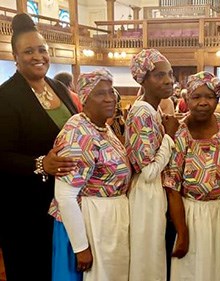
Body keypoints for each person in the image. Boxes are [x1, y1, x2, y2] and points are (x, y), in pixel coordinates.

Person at [0, 13, 77, 281]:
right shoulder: (6, 96)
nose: (38, 56)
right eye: (28, 51)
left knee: (60, 268)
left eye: (42, 50)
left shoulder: (59, 88)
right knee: (32, 268)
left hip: (64, 201)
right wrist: (41, 164)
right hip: (25, 207)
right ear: (16, 57)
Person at [49, 68, 132, 281]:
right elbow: (65, 197)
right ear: (84, 99)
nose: (109, 98)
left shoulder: (101, 126)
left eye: (110, 91)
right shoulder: (78, 133)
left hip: (105, 218)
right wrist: (81, 247)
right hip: (88, 222)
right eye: (100, 93)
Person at [163, 71, 220, 281]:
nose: (203, 102)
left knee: (215, 270)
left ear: (217, 99)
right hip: (192, 213)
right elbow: (172, 187)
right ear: (186, 99)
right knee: (190, 270)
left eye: (209, 97)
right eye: (196, 97)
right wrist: (182, 232)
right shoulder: (180, 133)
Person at [124, 48, 180, 281]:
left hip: (153, 192)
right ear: (142, 79)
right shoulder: (141, 113)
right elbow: (148, 171)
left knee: (153, 253)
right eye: (159, 75)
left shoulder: (153, 109)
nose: (168, 80)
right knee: (146, 258)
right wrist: (169, 136)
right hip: (145, 194)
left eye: (170, 74)